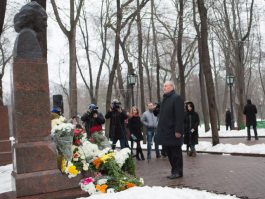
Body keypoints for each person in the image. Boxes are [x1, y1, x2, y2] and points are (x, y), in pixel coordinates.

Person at [155, 81, 184, 179]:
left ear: (172, 87)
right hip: (165, 132)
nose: (164, 87)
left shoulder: (177, 98)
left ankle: (178, 172)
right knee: (169, 152)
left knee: (176, 153)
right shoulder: (164, 99)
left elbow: (179, 116)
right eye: (163, 86)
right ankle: (174, 170)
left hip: (174, 131)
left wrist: (178, 130)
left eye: (166, 86)